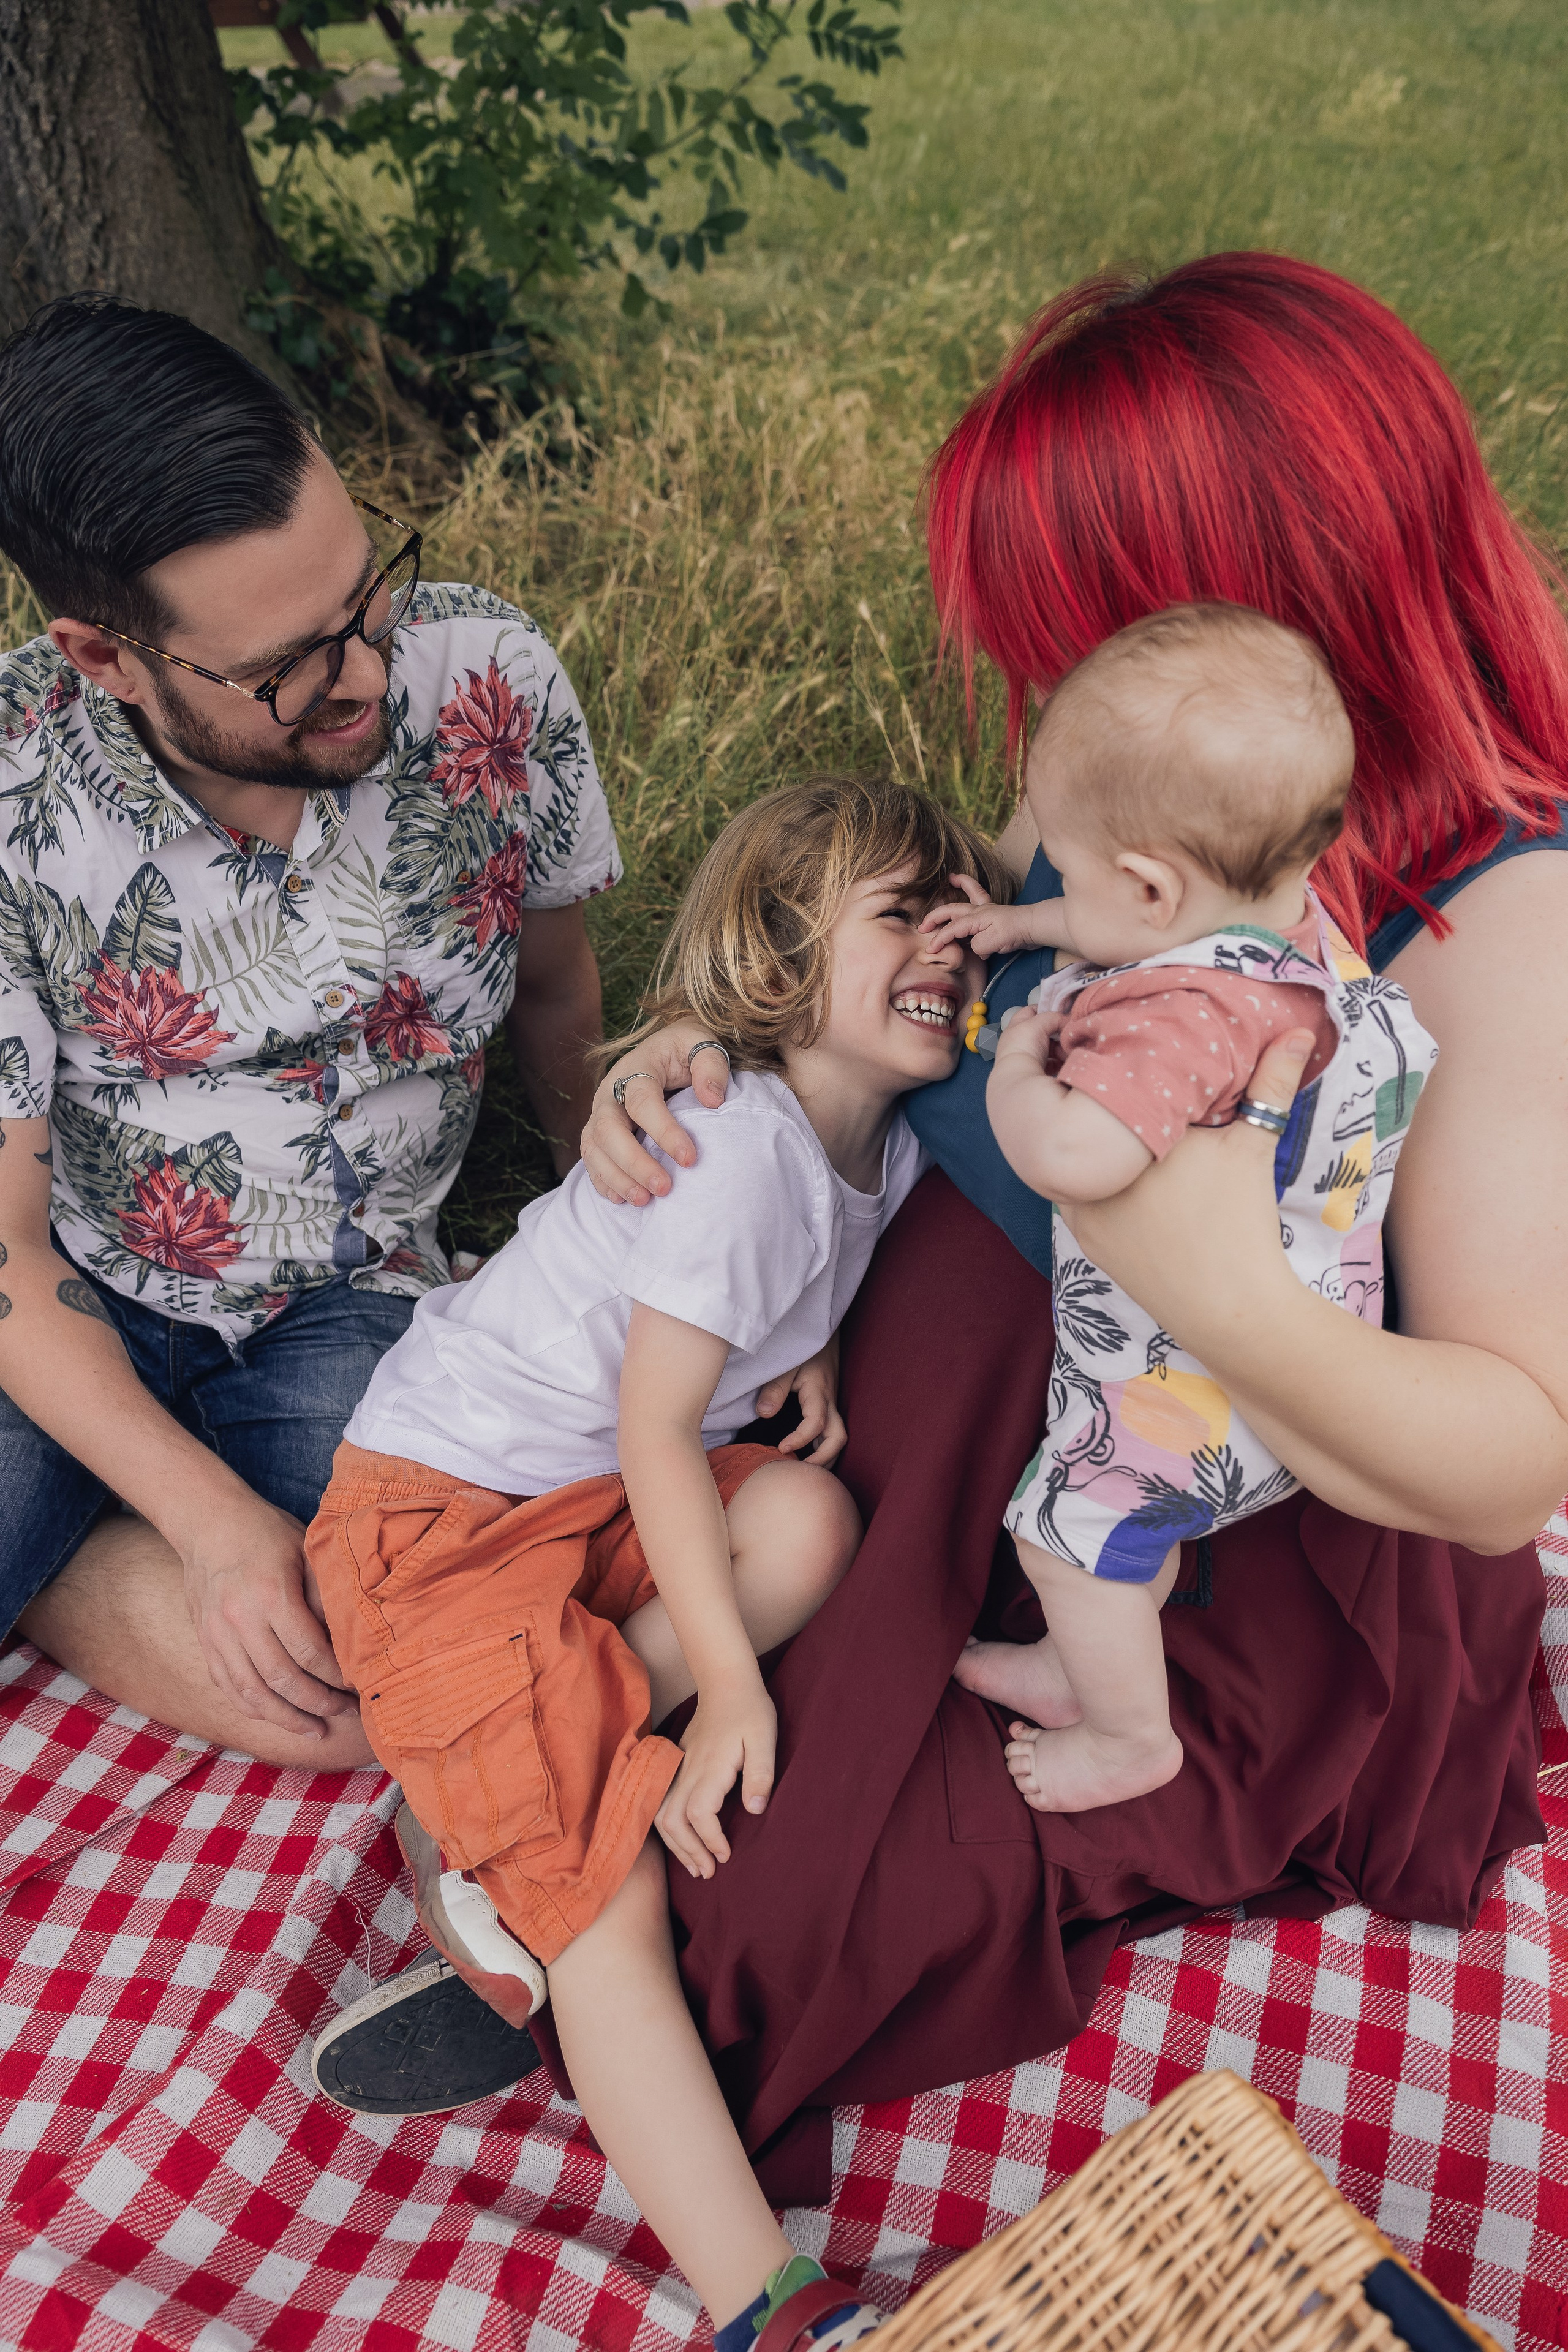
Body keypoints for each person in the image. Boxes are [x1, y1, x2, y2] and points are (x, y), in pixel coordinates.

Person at [568, 254, 1565, 2202]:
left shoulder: (1508, 932)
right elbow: (968, 975)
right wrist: (733, 1038)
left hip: (1240, 1533)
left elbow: (1511, 1457)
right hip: (1003, 1419)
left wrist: (1228, 1295)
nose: (1037, 703)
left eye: (1067, 639)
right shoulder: (1160, 785)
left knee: (754, 1934)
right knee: (615, 1723)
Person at [304, 777, 1002, 2351]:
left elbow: (738, 1334)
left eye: (963, 924)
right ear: (772, 956)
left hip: (573, 1502)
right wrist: (734, 1697)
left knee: (807, 1519)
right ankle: (768, 2300)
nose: (949, 954)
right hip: (440, 1525)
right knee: (609, 1896)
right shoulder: (744, 1144)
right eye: (903, 916)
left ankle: (490, 1804)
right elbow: (651, 1428)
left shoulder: (872, 1146)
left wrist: (805, 1359)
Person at [0, 295, 615, 1766]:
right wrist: (211, 1533)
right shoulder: (14, 791)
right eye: (287, 662)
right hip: (84, 1300)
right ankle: (96, 1526)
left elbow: (558, 998)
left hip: (351, 1300)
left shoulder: (491, 677)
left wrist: (623, 1250)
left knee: (412, 1663)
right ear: (104, 657)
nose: (364, 675)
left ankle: (67, 1538)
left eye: (365, 594)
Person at [921, 604, 1436, 1811]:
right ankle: (1086, 1645)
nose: (1055, 881)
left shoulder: (1179, 1022)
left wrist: (1007, 1061)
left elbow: (1076, 1154)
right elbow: (1117, 925)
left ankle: (1121, 1731)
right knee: (1113, 1548)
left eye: (1065, 862)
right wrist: (1023, 923)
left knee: (1062, 1535)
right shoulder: (1277, 925)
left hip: (1195, 1378)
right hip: (1319, 1318)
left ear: (1150, 886)